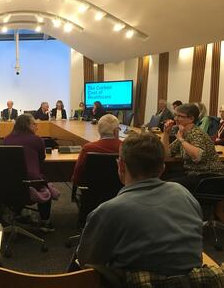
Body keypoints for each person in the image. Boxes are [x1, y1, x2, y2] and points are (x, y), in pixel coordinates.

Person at [75, 132, 202, 275]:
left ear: (121, 166)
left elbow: (86, 260)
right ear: (162, 169)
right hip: (190, 282)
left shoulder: (108, 211)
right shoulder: (184, 194)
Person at [2, 114, 60, 232]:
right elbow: (41, 159)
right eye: (34, 124)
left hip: (9, 183)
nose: (37, 127)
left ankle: (16, 214)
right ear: (27, 125)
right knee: (43, 183)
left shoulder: (6, 139)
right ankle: (45, 222)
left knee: (25, 181)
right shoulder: (37, 140)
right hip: (31, 183)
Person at [162, 103, 224, 192]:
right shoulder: (184, 133)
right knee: (161, 180)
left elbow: (198, 157)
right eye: (176, 115)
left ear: (191, 119)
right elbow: (166, 153)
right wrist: (166, 133)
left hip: (209, 177)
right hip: (193, 173)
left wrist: (181, 139)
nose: (175, 118)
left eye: (180, 116)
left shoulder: (196, 133)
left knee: (165, 186)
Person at [72, 114, 122, 187]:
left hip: (91, 192)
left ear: (99, 130)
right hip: (120, 192)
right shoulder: (126, 147)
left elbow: (77, 176)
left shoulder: (88, 148)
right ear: (116, 131)